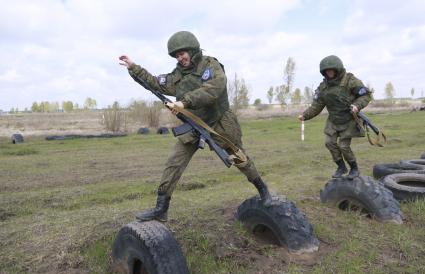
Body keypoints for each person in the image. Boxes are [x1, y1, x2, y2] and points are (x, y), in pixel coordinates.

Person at [119, 31, 273, 222]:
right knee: (174, 163)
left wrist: (184, 103)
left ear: (192, 49)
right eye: (176, 55)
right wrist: (134, 68)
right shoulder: (178, 75)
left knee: (239, 157)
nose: (180, 58)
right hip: (193, 125)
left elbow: (214, 88)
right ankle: (161, 209)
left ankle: (263, 190)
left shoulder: (210, 65)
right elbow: (154, 83)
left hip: (220, 122)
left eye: (182, 53)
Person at [298, 55, 371, 179]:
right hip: (333, 120)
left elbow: (365, 95)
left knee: (343, 146)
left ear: (338, 69)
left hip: (349, 119)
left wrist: (356, 106)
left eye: (332, 70)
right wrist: (305, 115)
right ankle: (341, 166)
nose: (329, 73)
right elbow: (317, 105)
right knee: (329, 143)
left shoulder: (350, 81)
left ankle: (354, 168)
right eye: (327, 71)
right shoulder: (323, 87)